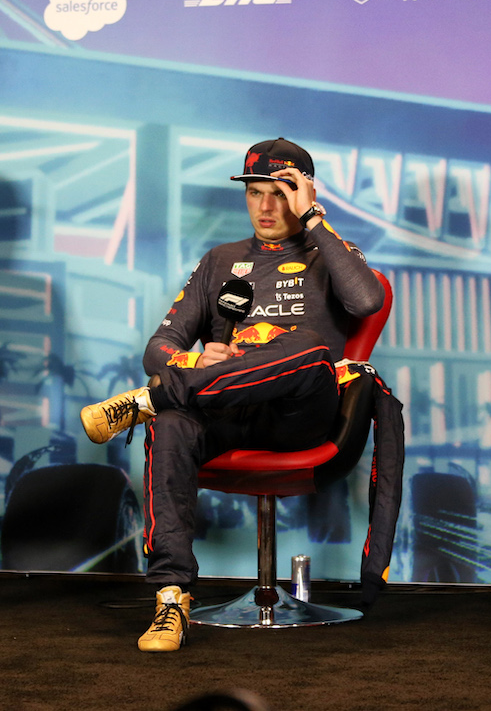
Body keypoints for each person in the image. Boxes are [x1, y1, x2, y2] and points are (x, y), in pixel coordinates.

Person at [80, 137, 385, 652]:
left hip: (300, 416)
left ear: (305, 195)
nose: (266, 207)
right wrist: (193, 360)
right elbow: (160, 346)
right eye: (254, 193)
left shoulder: (329, 252)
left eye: (279, 193)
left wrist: (314, 220)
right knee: (173, 424)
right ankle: (171, 599)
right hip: (224, 409)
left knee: (309, 349)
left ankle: (152, 399)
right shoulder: (220, 260)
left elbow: (368, 298)